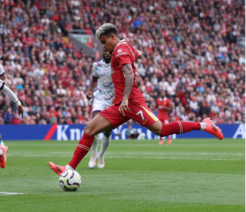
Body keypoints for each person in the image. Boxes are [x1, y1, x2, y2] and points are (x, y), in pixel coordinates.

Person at [49, 23, 223, 176]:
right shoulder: (125, 47)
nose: (103, 46)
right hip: (119, 105)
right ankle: (69, 169)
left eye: (103, 42)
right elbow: (137, 53)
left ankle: (204, 125)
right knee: (89, 130)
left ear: (112, 37)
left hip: (131, 102)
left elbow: (129, 73)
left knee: (161, 130)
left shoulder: (120, 50)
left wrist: (125, 98)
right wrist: (134, 55)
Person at [86, 49, 114, 169]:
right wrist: (89, 91)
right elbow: (94, 79)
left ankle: (101, 155)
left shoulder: (118, 66)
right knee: (96, 125)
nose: (107, 53)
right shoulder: (96, 65)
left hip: (113, 102)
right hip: (99, 98)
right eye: (106, 51)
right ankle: (93, 154)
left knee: (107, 131)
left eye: (110, 52)